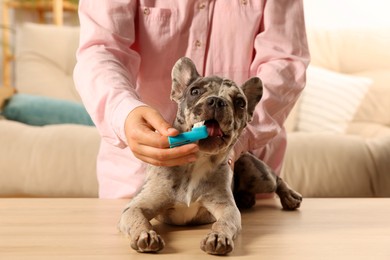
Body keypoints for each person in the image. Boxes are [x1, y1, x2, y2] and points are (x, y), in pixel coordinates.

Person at [74, 0, 310, 199]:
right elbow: (100, 50)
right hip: (136, 179)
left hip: (243, 184)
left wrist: (239, 136)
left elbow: (285, 61)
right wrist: (124, 114)